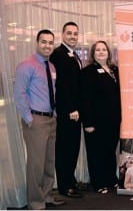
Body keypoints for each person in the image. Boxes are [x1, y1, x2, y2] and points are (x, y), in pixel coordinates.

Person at [13, 29, 66, 209]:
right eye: (44, 42)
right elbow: (19, 95)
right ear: (37, 43)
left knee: (49, 161)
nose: (47, 45)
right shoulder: (26, 66)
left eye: (50, 43)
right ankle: (35, 202)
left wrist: (55, 115)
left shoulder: (51, 67)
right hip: (36, 121)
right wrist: (29, 118)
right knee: (36, 164)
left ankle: (46, 195)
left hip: (51, 120)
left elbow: (52, 92)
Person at [80, 40, 121, 194]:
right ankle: (98, 182)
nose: (101, 52)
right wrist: (88, 122)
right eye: (98, 50)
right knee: (96, 152)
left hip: (113, 120)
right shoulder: (88, 71)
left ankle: (111, 179)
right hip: (96, 122)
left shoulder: (115, 70)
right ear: (93, 53)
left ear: (108, 53)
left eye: (104, 49)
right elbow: (85, 99)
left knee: (110, 151)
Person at [49, 21, 83, 198]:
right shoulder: (59, 54)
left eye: (75, 34)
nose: (72, 36)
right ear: (62, 35)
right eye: (69, 33)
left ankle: (70, 180)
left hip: (76, 111)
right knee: (65, 148)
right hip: (67, 111)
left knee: (73, 147)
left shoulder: (72, 54)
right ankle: (65, 186)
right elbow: (61, 85)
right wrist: (71, 108)